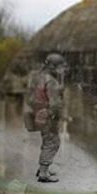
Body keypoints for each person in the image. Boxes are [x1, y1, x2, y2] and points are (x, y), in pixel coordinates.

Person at [27, 53, 67, 183]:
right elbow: (55, 103)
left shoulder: (37, 77)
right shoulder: (51, 81)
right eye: (60, 66)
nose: (62, 69)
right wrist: (54, 114)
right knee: (53, 142)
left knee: (46, 141)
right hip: (48, 116)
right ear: (53, 66)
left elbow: (31, 97)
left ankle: (43, 168)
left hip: (37, 112)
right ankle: (43, 173)